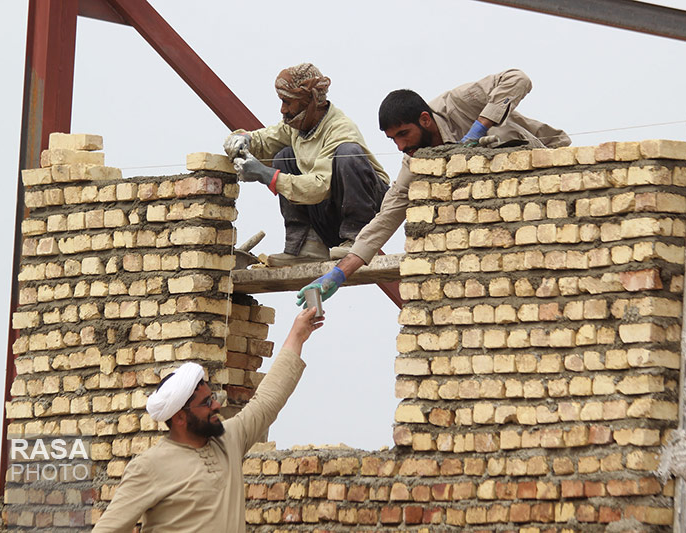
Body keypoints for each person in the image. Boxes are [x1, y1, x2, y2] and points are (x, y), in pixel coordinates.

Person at [296, 69, 571, 305]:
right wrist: (340, 274)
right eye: (393, 139)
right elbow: (385, 219)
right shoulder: (413, 161)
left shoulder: (458, 104)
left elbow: (517, 78)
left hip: (543, 168)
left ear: (425, 119)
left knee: (491, 145)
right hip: (505, 222)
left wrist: (477, 130)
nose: (402, 146)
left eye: (404, 134)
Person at [92, 307, 324, 533]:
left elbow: (267, 401)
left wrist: (297, 335)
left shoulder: (228, 440)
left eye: (211, 398)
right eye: (206, 403)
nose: (216, 405)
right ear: (180, 417)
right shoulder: (148, 467)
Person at [224, 63, 390, 266]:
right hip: (331, 213)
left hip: (370, 211)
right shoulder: (296, 127)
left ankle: (358, 240)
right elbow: (266, 139)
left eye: (288, 102)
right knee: (284, 155)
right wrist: (244, 138)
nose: (283, 109)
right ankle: (306, 246)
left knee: (348, 154)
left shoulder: (340, 129)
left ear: (311, 101)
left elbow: (319, 186)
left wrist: (267, 175)